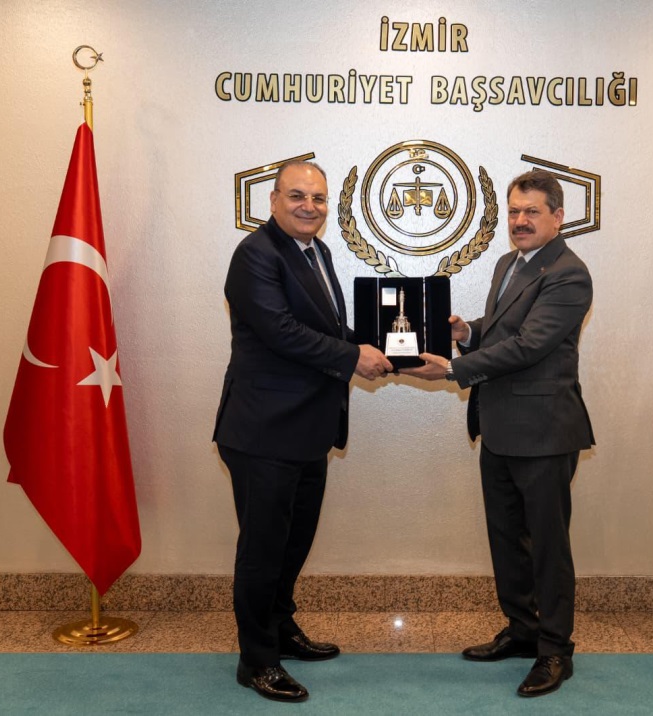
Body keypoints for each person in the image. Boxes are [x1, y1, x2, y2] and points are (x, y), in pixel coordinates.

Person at [402, 170, 594, 698]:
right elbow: (505, 330)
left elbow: (531, 344)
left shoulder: (570, 274)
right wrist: (469, 331)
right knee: (507, 539)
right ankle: (522, 630)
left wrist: (453, 368)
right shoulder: (509, 263)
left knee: (548, 546)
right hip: (500, 426)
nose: (520, 221)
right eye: (513, 211)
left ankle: (555, 650)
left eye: (532, 211)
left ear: (558, 217)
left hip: (545, 432)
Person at [213, 160, 393, 703]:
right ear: (273, 200)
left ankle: (280, 629)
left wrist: (392, 342)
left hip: (309, 428)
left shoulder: (318, 252)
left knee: (292, 544)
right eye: (296, 196)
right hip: (264, 432)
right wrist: (352, 357)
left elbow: (328, 328)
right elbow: (281, 332)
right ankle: (257, 660)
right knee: (263, 551)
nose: (308, 206)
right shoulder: (255, 254)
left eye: (317, 198)